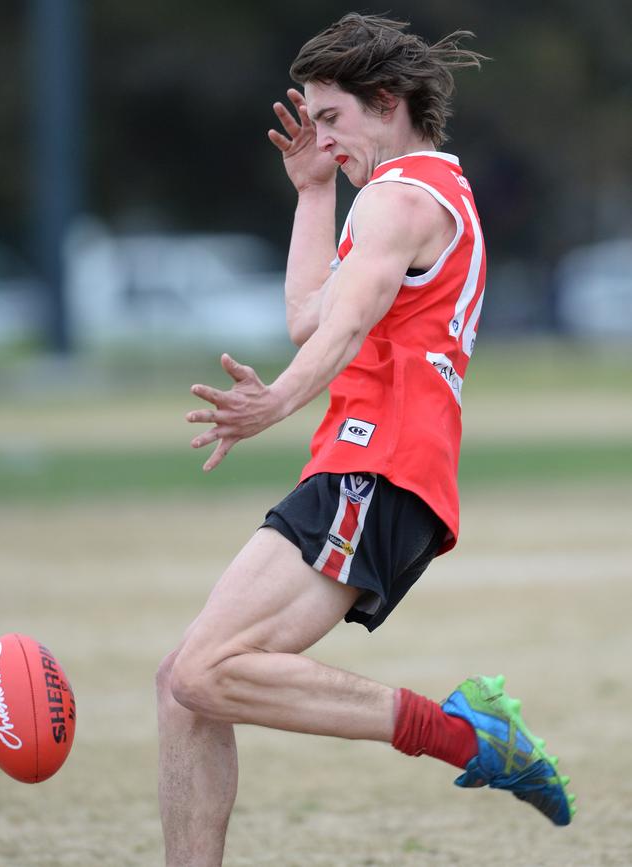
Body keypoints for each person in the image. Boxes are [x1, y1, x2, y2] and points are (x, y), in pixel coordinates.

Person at [156, 13, 574, 866]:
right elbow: (312, 314)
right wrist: (313, 192)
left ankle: (465, 734)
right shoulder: (420, 195)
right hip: (369, 465)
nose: (323, 136)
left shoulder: (400, 198)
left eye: (333, 118)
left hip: (376, 464)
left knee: (202, 672)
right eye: (310, 120)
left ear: (386, 103)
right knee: (186, 687)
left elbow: (336, 336)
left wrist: (271, 404)